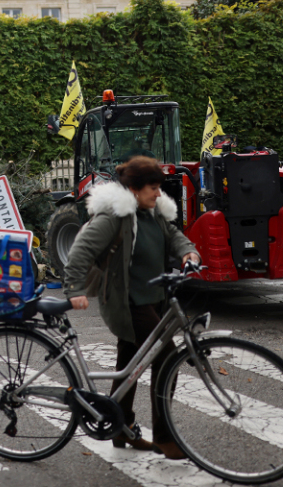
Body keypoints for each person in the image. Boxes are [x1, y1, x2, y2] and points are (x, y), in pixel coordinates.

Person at [63, 156, 200, 460]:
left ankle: (119, 426)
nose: (158, 193)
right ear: (135, 190)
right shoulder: (115, 216)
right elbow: (81, 249)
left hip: (152, 299)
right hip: (128, 302)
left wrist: (188, 252)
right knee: (167, 359)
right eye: (153, 188)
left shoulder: (152, 213)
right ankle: (164, 437)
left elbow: (174, 236)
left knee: (129, 363)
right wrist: (74, 290)